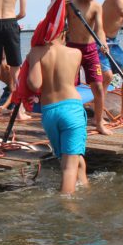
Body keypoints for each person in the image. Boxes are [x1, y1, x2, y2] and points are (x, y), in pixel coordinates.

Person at [26, 30, 89, 194]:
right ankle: (68, 208)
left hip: (50, 113)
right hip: (72, 109)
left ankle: (86, 188)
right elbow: (72, 80)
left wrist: (33, 59)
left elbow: (35, 84)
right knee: (69, 167)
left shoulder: (37, 52)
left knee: (73, 160)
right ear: (64, 33)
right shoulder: (76, 53)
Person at [66, 0, 112, 135]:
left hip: (91, 49)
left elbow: (99, 29)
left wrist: (103, 43)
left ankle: (98, 122)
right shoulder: (69, 4)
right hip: (72, 49)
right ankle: (71, 121)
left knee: (98, 87)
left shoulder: (96, 6)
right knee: (70, 86)